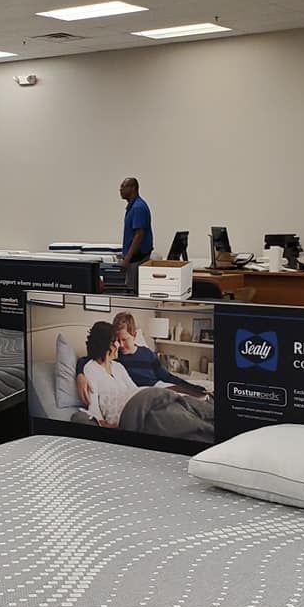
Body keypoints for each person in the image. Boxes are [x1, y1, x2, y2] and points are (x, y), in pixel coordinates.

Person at [76, 311, 209, 408]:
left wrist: (192, 387)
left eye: (124, 339)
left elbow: (167, 376)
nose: (120, 345)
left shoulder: (147, 353)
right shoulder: (115, 357)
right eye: (117, 340)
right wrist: (80, 375)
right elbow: (88, 359)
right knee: (184, 403)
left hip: (161, 386)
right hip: (145, 393)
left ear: (134, 335)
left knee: (198, 396)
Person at [81, 320, 139, 427]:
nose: (119, 345)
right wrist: (102, 423)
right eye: (116, 341)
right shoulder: (91, 368)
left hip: (136, 406)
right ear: (108, 344)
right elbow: (93, 405)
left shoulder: (118, 367)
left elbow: (136, 391)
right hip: (121, 414)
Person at [119, 177, 153, 293]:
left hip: (137, 259)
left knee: (132, 291)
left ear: (133, 188)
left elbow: (139, 235)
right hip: (134, 258)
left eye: (123, 186)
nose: (120, 189)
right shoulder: (132, 207)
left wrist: (127, 258)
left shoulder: (138, 207)